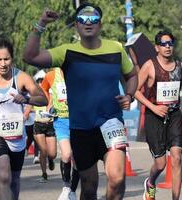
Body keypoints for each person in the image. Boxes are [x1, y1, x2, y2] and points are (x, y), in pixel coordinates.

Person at [23, 2, 138, 199]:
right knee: (89, 186)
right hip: (81, 129)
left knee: (118, 179)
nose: (88, 22)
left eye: (93, 19)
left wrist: (129, 95)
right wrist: (41, 23)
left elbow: (132, 75)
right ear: (76, 25)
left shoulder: (116, 48)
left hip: (111, 123)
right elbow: (29, 56)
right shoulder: (66, 52)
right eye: (82, 19)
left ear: (100, 24)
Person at [0, 38, 47, 200]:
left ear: (12, 58)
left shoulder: (21, 78)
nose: (3, 64)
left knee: (14, 179)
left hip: (16, 134)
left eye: (7, 59)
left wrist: (26, 99)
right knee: (3, 174)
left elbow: (43, 99)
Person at [134, 30, 182, 200]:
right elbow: (134, 91)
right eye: (164, 44)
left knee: (176, 157)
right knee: (161, 164)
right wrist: (153, 107)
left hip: (174, 115)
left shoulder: (180, 66)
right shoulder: (149, 65)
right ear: (157, 47)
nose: (168, 47)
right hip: (154, 118)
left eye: (170, 43)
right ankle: (150, 182)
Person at [41, 68, 80, 200]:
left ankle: (73, 191)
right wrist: (49, 103)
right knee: (67, 153)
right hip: (61, 120)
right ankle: (66, 187)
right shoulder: (52, 75)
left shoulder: (78, 72)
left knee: (77, 159)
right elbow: (43, 89)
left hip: (78, 120)